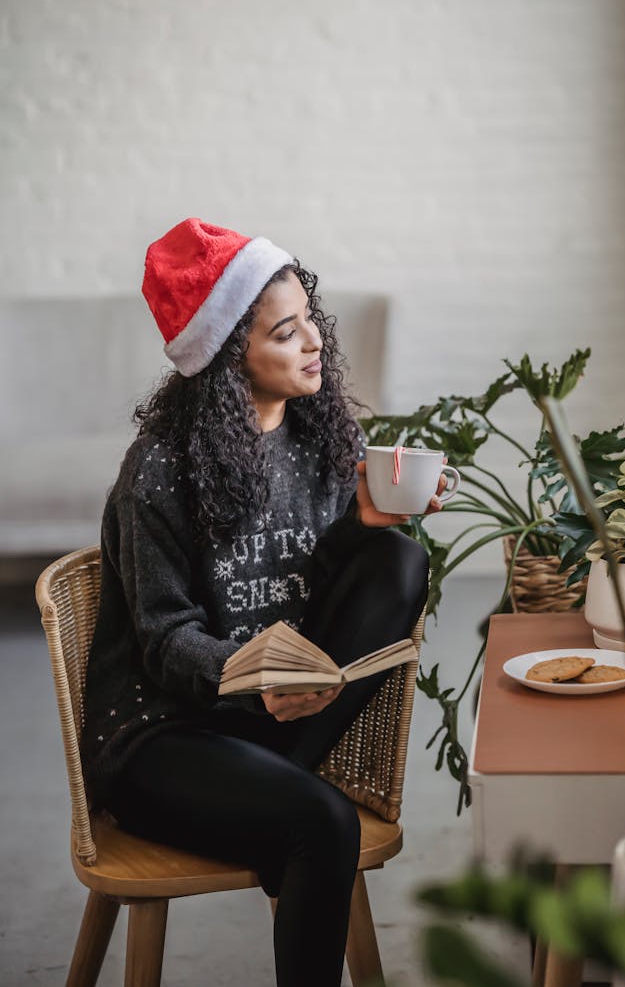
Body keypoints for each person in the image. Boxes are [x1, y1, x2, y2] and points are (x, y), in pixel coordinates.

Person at [81, 217, 433, 987]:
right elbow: (165, 641)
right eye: (286, 332)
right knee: (324, 823)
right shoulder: (160, 473)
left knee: (399, 562)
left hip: (268, 724)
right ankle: (288, 799)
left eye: (310, 318)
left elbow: (313, 571)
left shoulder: (314, 436)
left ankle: (278, 778)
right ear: (229, 355)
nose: (314, 342)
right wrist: (247, 670)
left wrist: (360, 524)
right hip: (162, 735)